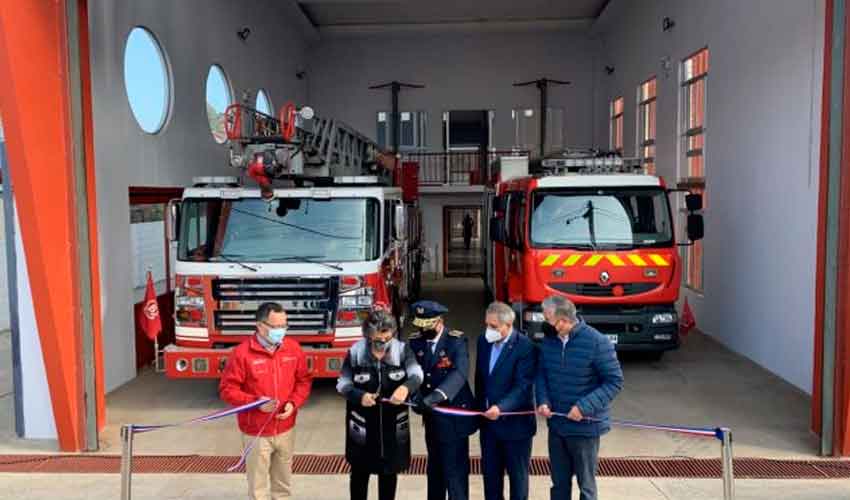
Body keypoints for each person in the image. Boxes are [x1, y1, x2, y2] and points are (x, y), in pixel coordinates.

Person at [219, 302, 313, 500]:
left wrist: (293, 403)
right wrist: (255, 402)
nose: (281, 331)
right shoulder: (242, 354)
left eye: (284, 326)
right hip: (256, 432)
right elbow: (227, 390)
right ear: (260, 326)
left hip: (286, 428)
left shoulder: (293, 349)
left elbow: (304, 381)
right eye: (276, 327)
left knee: (283, 487)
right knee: (258, 489)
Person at [536, 295, 624, 500]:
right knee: (558, 484)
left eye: (548, 319)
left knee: (586, 486)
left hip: (585, 428)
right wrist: (543, 400)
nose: (545, 325)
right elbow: (542, 374)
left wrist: (583, 407)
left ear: (564, 320)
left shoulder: (597, 342)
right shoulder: (550, 342)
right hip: (557, 426)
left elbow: (614, 382)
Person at [336, 309, 424, 500]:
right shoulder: (355, 353)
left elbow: (417, 374)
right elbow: (342, 384)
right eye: (377, 338)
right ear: (367, 335)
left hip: (393, 427)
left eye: (387, 336)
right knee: (359, 474)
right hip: (362, 427)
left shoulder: (402, 350)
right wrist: (359, 396)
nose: (382, 342)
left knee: (389, 474)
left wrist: (406, 388)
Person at [408, 300, 478, 500]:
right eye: (420, 327)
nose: (423, 331)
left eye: (427, 326)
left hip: (453, 417)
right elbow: (413, 373)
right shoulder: (416, 341)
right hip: (431, 418)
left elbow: (459, 374)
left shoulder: (456, 341)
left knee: (455, 473)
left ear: (439, 321)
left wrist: (435, 397)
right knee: (435, 470)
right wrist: (415, 397)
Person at [474, 301, 537, 500]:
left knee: (518, 482)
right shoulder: (483, 342)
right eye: (487, 325)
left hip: (515, 428)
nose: (488, 330)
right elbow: (480, 380)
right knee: (491, 481)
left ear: (508, 326)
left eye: (493, 327)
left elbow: (523, 387)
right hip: (489, 428)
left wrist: (500, 408)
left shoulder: (525, 347)